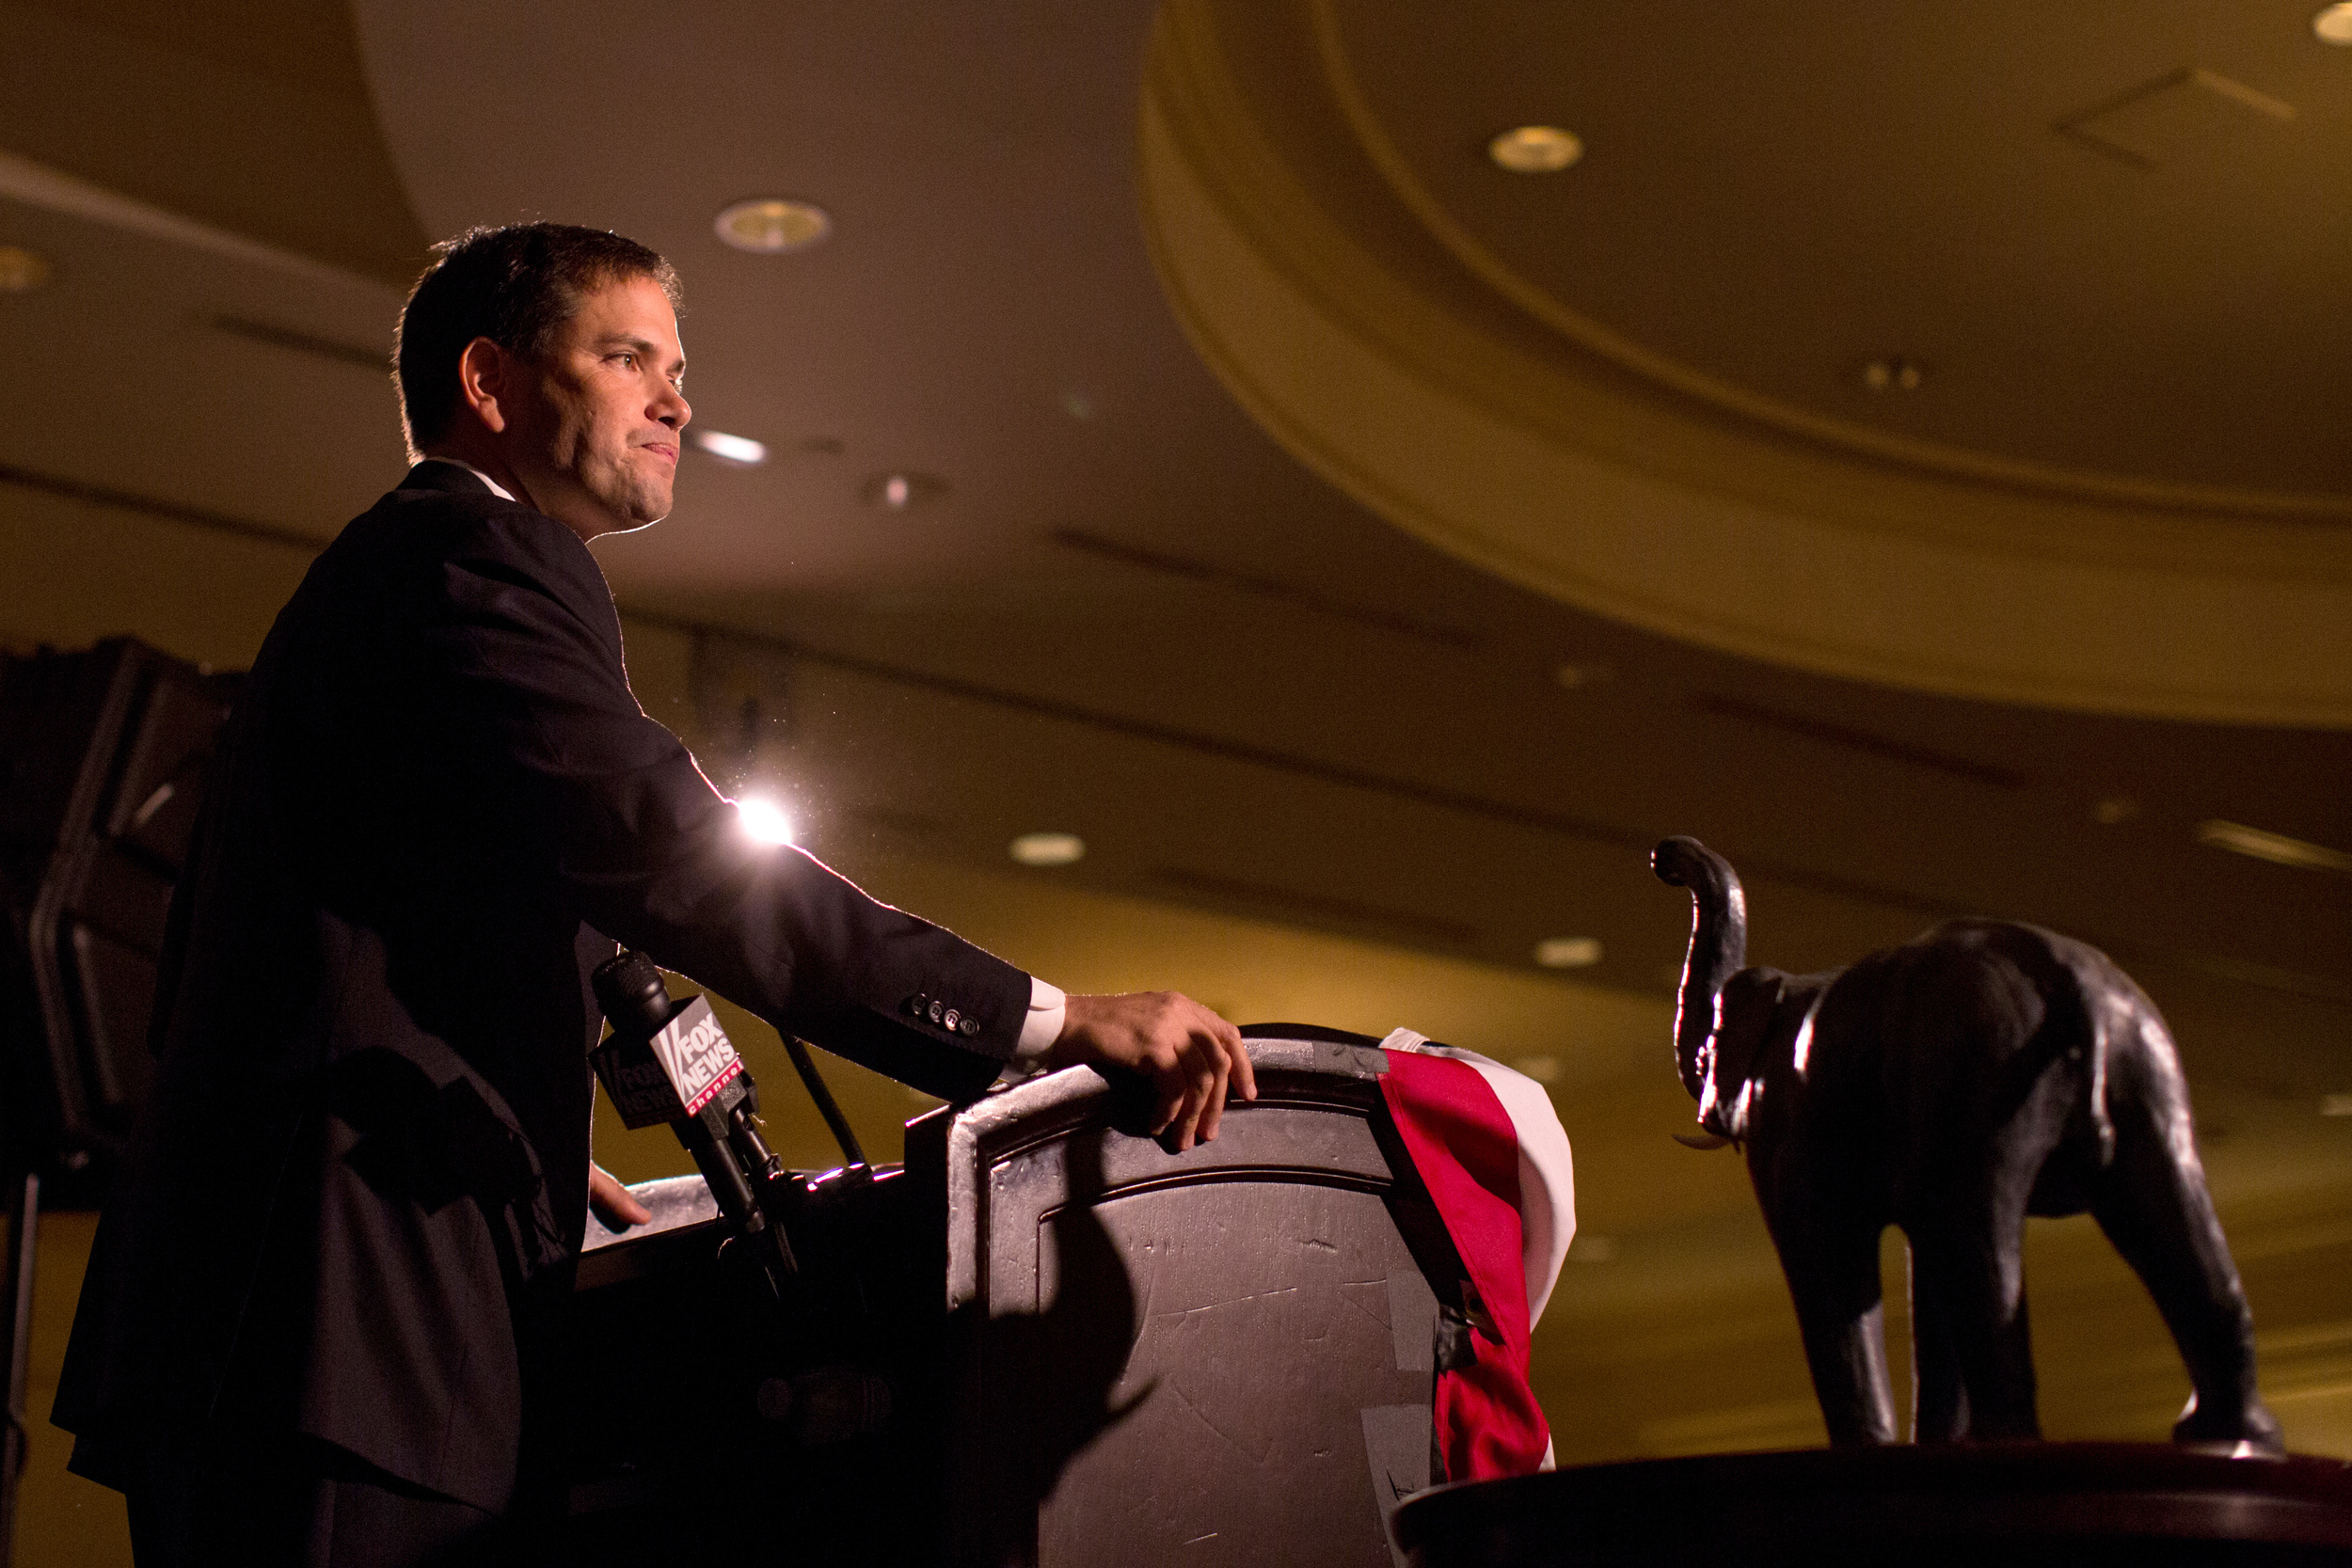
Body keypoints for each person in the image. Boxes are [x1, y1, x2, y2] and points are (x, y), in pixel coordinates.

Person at [53, 223, 1255, 1565]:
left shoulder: (399, 580)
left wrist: (527, 1139)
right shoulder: (472, 561)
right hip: (339, 1327)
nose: (677, 400)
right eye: (627, 358)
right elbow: (672, 853)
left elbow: (347, 933)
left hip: (294, 1321)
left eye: (677, 366)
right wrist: (1055, 1024)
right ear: (492, 383)